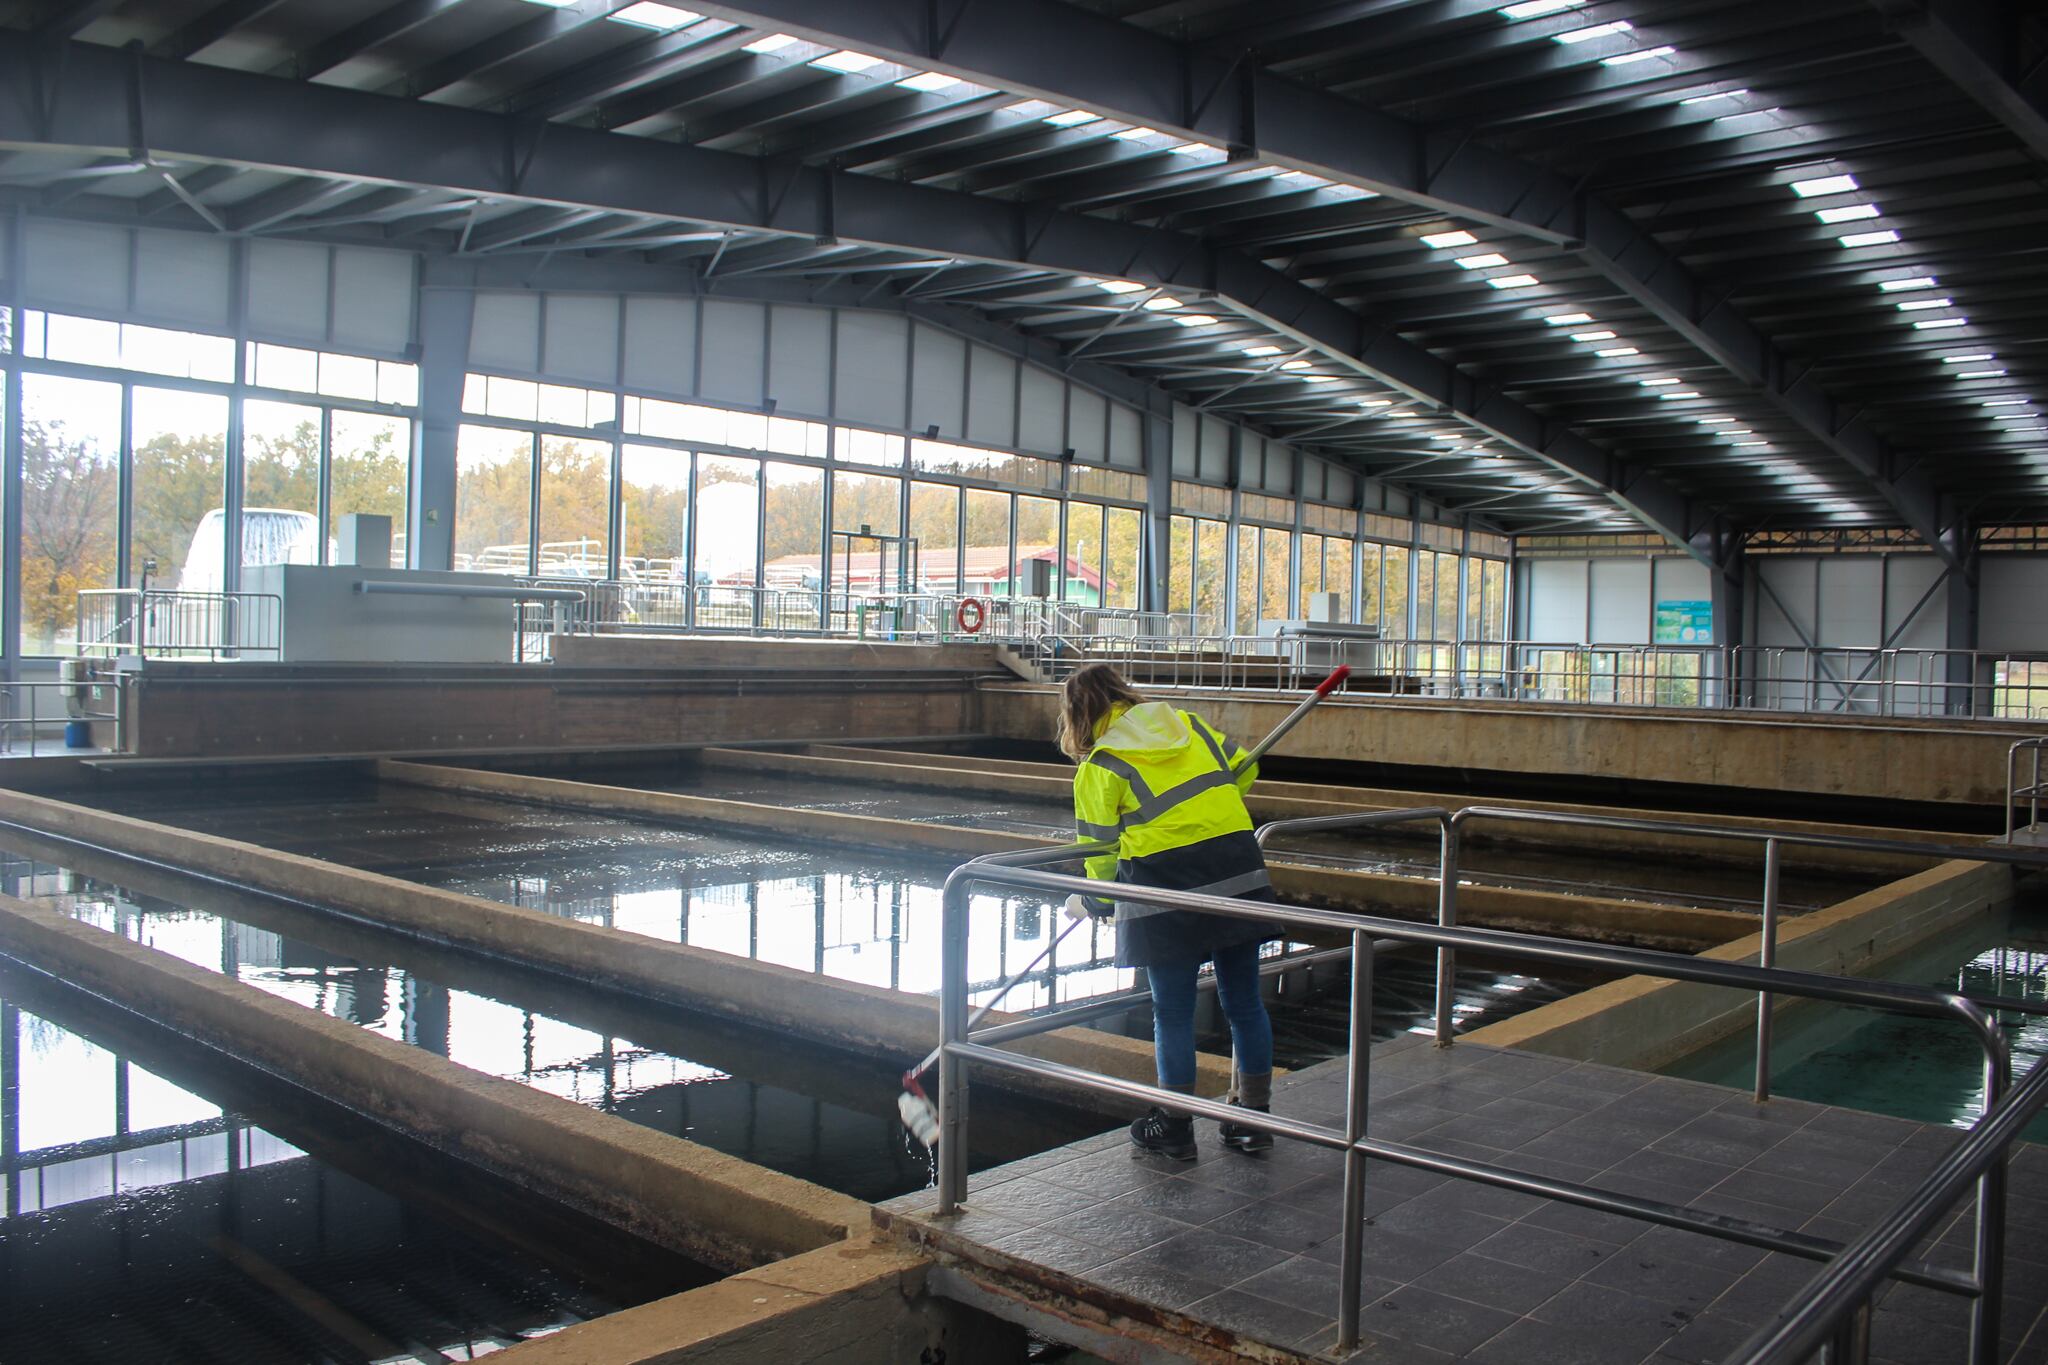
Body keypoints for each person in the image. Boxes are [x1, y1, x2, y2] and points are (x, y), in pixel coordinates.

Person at [1057, 663, 1276, 1159]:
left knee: (1173, 1010)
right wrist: (1203, 814)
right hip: (1236, 865)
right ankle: (1251, 1122)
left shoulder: (1102, 765)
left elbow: (1100, 851)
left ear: (1077, 714)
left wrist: (1100, 901)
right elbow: (1246, 768)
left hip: (1165, 889)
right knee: (1243, 1001)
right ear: (1123, 693)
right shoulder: (1188, 724)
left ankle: (1175, 1126)